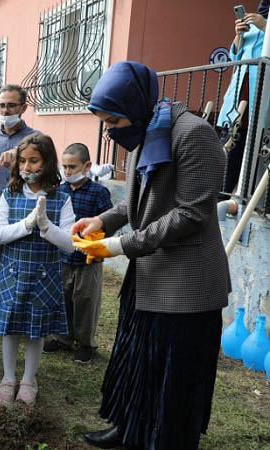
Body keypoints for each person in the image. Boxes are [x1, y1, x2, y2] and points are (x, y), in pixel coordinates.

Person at [74, 61, 230, 450]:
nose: (110, 130)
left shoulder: (194, 135)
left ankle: (163, 438)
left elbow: (192, 213)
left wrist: (119, 246)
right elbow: (136, 203)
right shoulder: (146, 130)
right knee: (138, 356)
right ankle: (130, 428)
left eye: (114, 119)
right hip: (149, 274)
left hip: (186, 283)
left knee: (172, 372)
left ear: (135, 104)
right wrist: (103, 221)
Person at [0, 133, 75, 407]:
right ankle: (8, 378)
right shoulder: (10, 195)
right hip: (12, 273)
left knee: (36, 331)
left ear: (47, 162)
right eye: (23, 161)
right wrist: (26, 224)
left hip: (43, 277)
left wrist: (47, 226)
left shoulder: (61, 199)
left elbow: (70, 244)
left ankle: (28, 379)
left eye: (34, 161)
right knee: (10, 329)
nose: (27, 168)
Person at [43, 143, 113, 364]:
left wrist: (95, 238)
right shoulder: (59, 192)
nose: (67, 171)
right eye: (64, 166)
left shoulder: (99, 192)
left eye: (72, 166)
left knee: (85, 301)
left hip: (88, 260)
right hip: (62, 258)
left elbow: (109, 222)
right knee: (62, 299)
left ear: (87, 166)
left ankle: (85, 343)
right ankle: (62, 338)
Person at [0, 84, 39, 272]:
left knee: (19, 264)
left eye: (11, 105)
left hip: (22, 207)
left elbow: (43, 173)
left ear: (23, 108)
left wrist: (20, 153)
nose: (5, 110)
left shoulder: (36, 138)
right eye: (1, 105)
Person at [216, 4, 267, 214]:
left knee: (254, 153)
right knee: (227, 151)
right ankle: (217, 199)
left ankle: (246, 204)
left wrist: (266, 26)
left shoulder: (262, 25)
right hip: (238, 96)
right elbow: (235, 57)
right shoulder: (253, 24)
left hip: (261, 97)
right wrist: (238, 36)